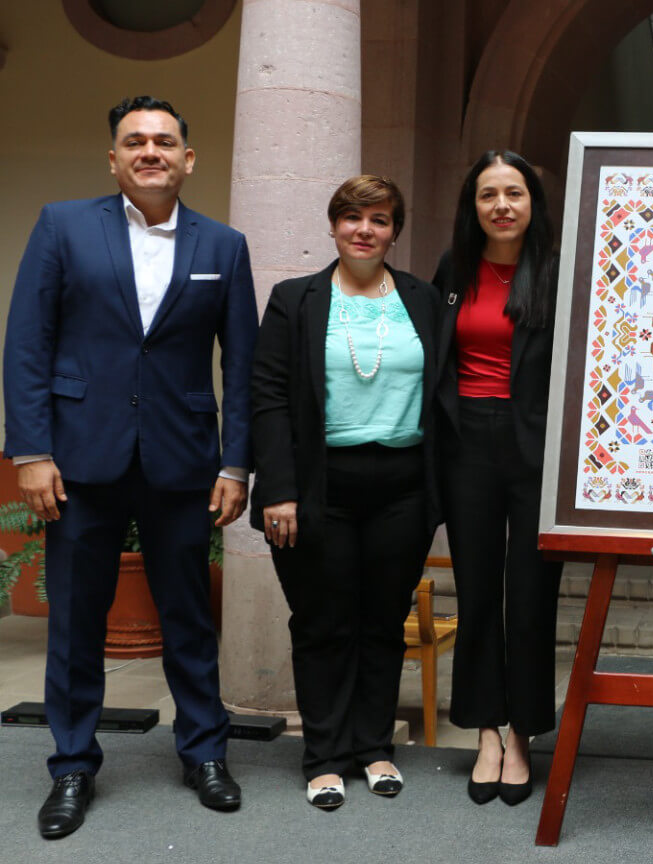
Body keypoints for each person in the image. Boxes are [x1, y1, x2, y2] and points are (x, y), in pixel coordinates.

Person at [3, 96, 257, 839]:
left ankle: (205, 752)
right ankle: (74, 767)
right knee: (77, 623)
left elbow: (237, 366)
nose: (151, 151)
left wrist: (236, 464)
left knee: (188, 617)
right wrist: (31, 451)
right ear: (113, 159)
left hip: (182, 461)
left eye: (165, 141)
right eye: (135, 141)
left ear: (188, 158)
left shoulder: (224, 246)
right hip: (78, 460)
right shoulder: (62, 227)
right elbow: (27, 344)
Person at [249, 175, 440, 809]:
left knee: (384, 623)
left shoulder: (423, 299)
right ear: (333, 226)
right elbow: (269, 398)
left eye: (380, 219)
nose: (365, 229)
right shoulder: (293, 299)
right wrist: (277, 489)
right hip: (316, 486)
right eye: (352, 217)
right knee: (324, 623)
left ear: (394, 230)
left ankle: (374, 748)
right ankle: (325, 755)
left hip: (403, 485)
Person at [433, 151, 562, 807]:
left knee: (532, 593)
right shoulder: (454, 270)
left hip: (537, 446)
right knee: (479, 588)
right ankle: (486, 729)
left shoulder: (559, 274)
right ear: (473, 205)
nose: (502, 205)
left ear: (533, 202)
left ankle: (524, 733)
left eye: (515, 192)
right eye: (489, 194)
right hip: (468, 444)